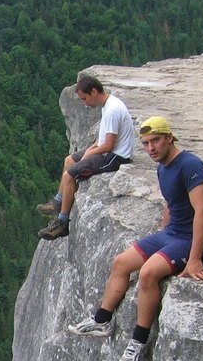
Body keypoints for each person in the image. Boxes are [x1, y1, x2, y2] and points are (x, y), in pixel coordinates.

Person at [66, 116, 203, 361]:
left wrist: (194, 259)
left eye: (155, 141)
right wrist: (160, 235)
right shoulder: (163, 166)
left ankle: (137, 343)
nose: (151, 149)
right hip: (173, 233)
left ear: (170, 137)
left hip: (194, 240)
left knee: (148, 273)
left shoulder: (191, 166)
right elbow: (171, 203)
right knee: (121, 262)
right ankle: (101, 320)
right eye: (146, 144)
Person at [37, 75, 136, 240]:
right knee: (69, 161)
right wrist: (91, 147)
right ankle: (58, 202)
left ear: (94, 92)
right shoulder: (108, 104)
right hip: (105, 150)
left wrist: (90, 153)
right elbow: (104, 137)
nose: (84, 103)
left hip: (115, 156)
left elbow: (110, 145)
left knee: (69, 175)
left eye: (84, 98)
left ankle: (62, 223)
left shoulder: (111, 110)